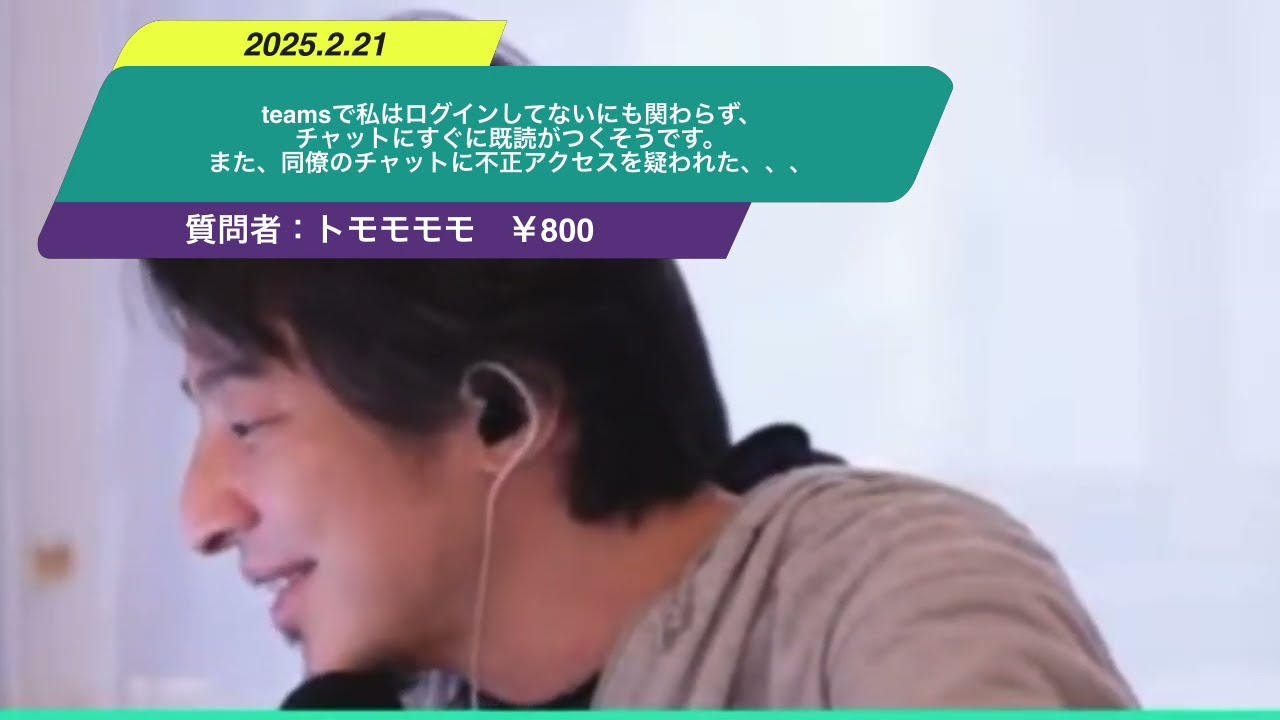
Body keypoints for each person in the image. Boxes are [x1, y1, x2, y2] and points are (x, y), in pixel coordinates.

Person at [144, 258, 1137, 708]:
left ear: (501, 416)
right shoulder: (414, 697)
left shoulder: (896, 597)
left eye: (248, 424)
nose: (201, 517)